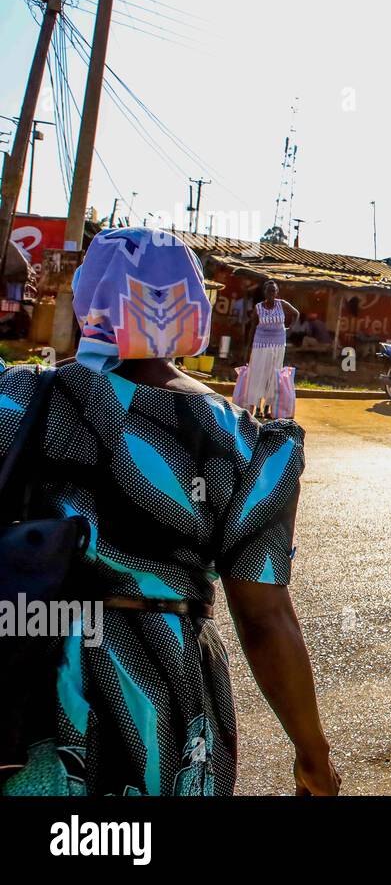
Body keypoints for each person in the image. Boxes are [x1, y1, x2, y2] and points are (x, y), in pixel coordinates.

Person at [0, 228, 338, 796]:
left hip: (29, 684)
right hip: (163, 701)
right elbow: (264, 618)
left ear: (89, 302)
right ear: (194, 307)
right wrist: (312, 754)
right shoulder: (244, 441)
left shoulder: (17, 399)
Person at [238, 280, 298, 419]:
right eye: (268, 291)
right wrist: (247, 347)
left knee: (273, 377)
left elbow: (296, 313)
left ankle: (267, 408)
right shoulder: (258, 308)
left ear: (276, 292)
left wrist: (290, 330)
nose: (271, 294)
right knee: (259, 376)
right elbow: (252, 327)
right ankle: (258, 407)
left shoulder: (281, 304)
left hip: (278, 346)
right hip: (260, 346)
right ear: (264, 293)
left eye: (273, 291)